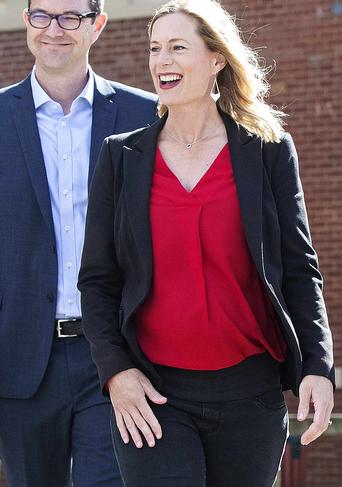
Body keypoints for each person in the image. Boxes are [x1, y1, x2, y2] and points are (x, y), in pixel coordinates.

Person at [77, 0, 335, 485]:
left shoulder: (268, 150)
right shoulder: (122, 157)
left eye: (178, 47)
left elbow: (300, 268)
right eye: (155, 49)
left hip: (250, 395)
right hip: (153, 394)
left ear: (217, 58)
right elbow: (97, 282)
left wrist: (318, 367)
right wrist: (116, 372)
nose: (161, 61)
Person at [0, 0, 157, 485]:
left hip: (112, 357)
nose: (54, 30)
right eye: (41, 16)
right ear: (27, 22)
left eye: (71, 17)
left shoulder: (147, 116)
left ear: (97, 25)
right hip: (19, 360)